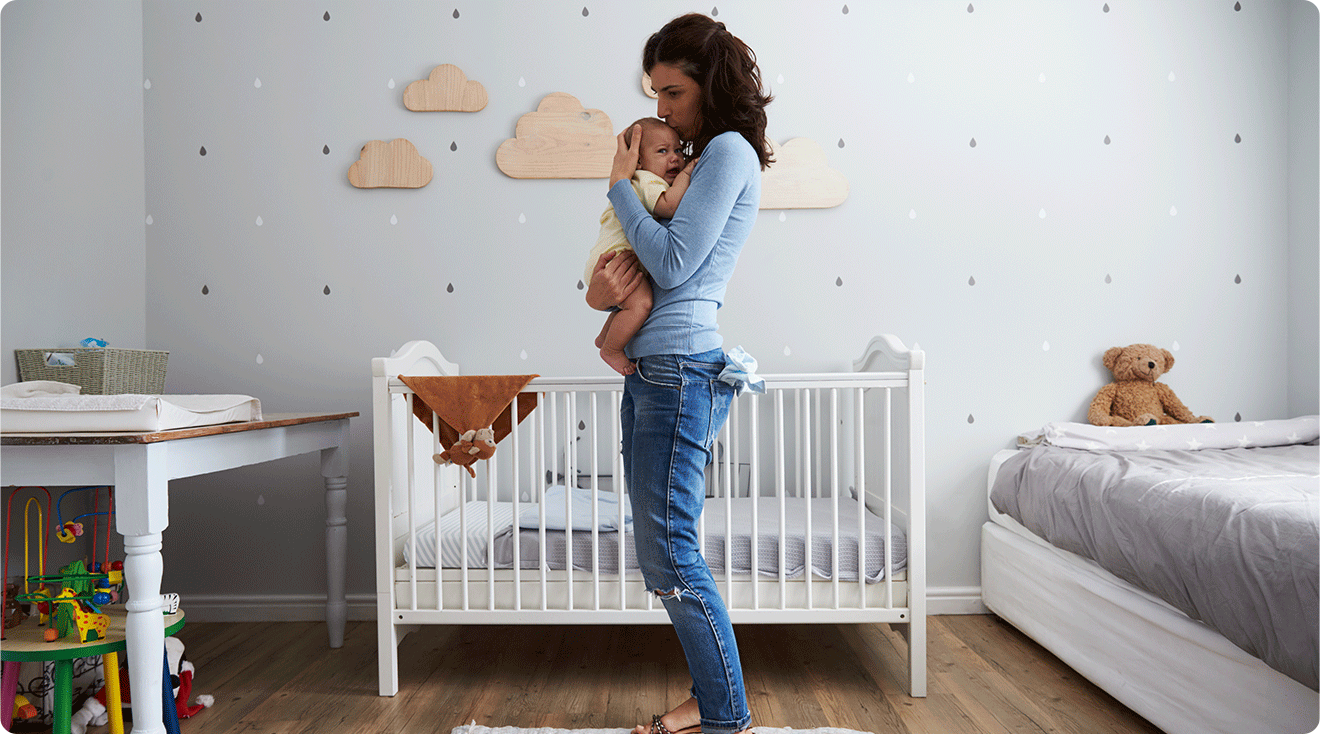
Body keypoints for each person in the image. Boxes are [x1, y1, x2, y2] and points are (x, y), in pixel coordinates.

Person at [584, 12, 773, 734]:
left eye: (673, 92)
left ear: (710, 85)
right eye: (655, 93)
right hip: (655, 369)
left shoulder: (727, 152)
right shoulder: (693, 159)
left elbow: (668, 264)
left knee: (671, 552)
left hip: (680, 369)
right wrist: (602, 293)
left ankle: (725, 714)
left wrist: (617, 188)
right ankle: (710, 698)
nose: (661, 109)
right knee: (659, 547)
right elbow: (632, 271)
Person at [586, 117, 696, 376]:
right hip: (616, 260)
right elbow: (669, 205)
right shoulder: (645, 180)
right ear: (638, 161)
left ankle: (605, 336)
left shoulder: (642, 180)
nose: (675, 158)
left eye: (678, 150)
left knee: (630, 303)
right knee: (642, 303)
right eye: (662, 151)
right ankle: (611, 349)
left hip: (610, 258)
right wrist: (686, 175)